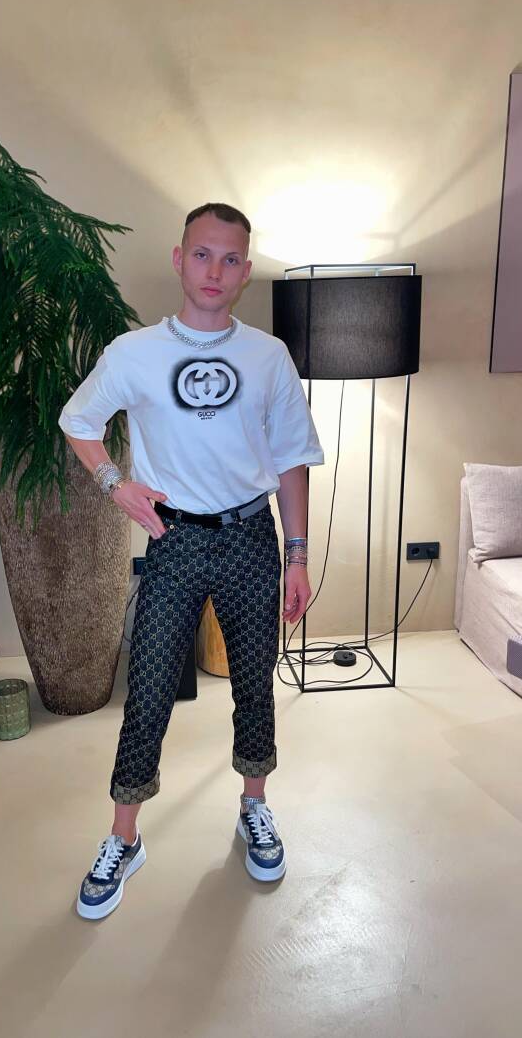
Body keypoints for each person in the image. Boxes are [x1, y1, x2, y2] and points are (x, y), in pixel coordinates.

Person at [59, 202, 324, 920]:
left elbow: (293, 459)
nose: (215, 271)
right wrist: (116, 485)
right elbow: (78, 422)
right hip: (174, 540)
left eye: (231, 259)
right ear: (180, 259)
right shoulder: (134, 353)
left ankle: (254, 806)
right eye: (203, 254)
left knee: (255, 683)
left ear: (246, 270)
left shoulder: (267, 356)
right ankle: (123, 837)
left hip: (250, 536)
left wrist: (297, 555)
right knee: (148, 687)